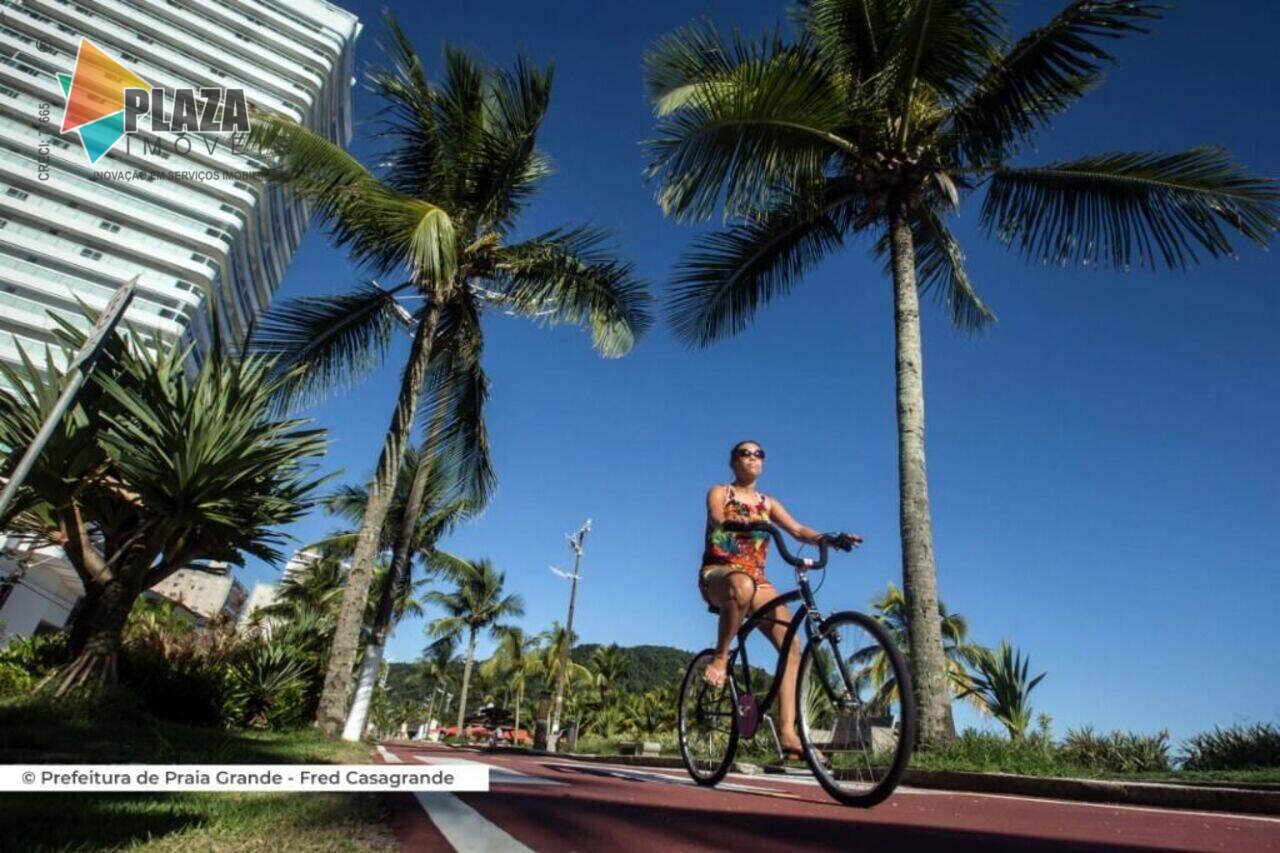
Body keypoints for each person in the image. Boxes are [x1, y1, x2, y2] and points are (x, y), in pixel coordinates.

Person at [697, 440, 861, 761]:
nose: (752, 458)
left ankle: (788, 733)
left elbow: (798, 529)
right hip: (718, 572)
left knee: (793, 645)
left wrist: (829, 539)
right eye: (745, 453)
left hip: (758, 581)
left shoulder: (768, 502)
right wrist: (733, 523)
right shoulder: (720, 492)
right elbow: (716, 516)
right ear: (733, 462)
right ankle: (720, 657)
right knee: (740, 584)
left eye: (758, 454)